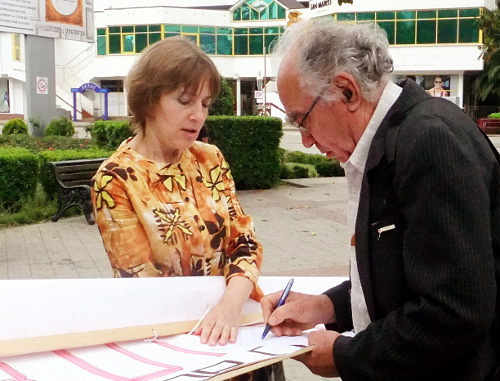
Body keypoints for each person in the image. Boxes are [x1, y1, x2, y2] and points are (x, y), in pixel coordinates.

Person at [261, 20, 499, 380]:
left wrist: (347, 356)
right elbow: (407, 275)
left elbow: (454, 310)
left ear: (347, 92)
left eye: (302, 120)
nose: (306, 140)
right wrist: (328, 306)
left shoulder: (429, 142)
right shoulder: (392, 138)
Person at [91, 37, 263, 348]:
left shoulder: (209, 159)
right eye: (185, 101)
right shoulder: (117, 179)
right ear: (147, 100)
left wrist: (229, 306)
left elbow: (244, 242)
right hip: (173, 344)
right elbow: (140, 284)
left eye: (205, 103)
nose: (198, 115)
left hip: (237, 333)